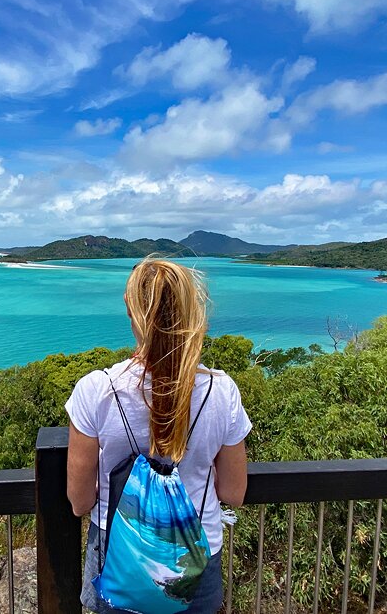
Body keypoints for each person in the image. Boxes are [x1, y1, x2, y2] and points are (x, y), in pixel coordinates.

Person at [65, 258, 252, 613]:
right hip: (195, 557)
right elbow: (233, 492)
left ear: (132, 312)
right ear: (191, 311)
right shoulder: (221, 391)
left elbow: (79, 501)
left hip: (118, 552)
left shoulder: (97, 390)